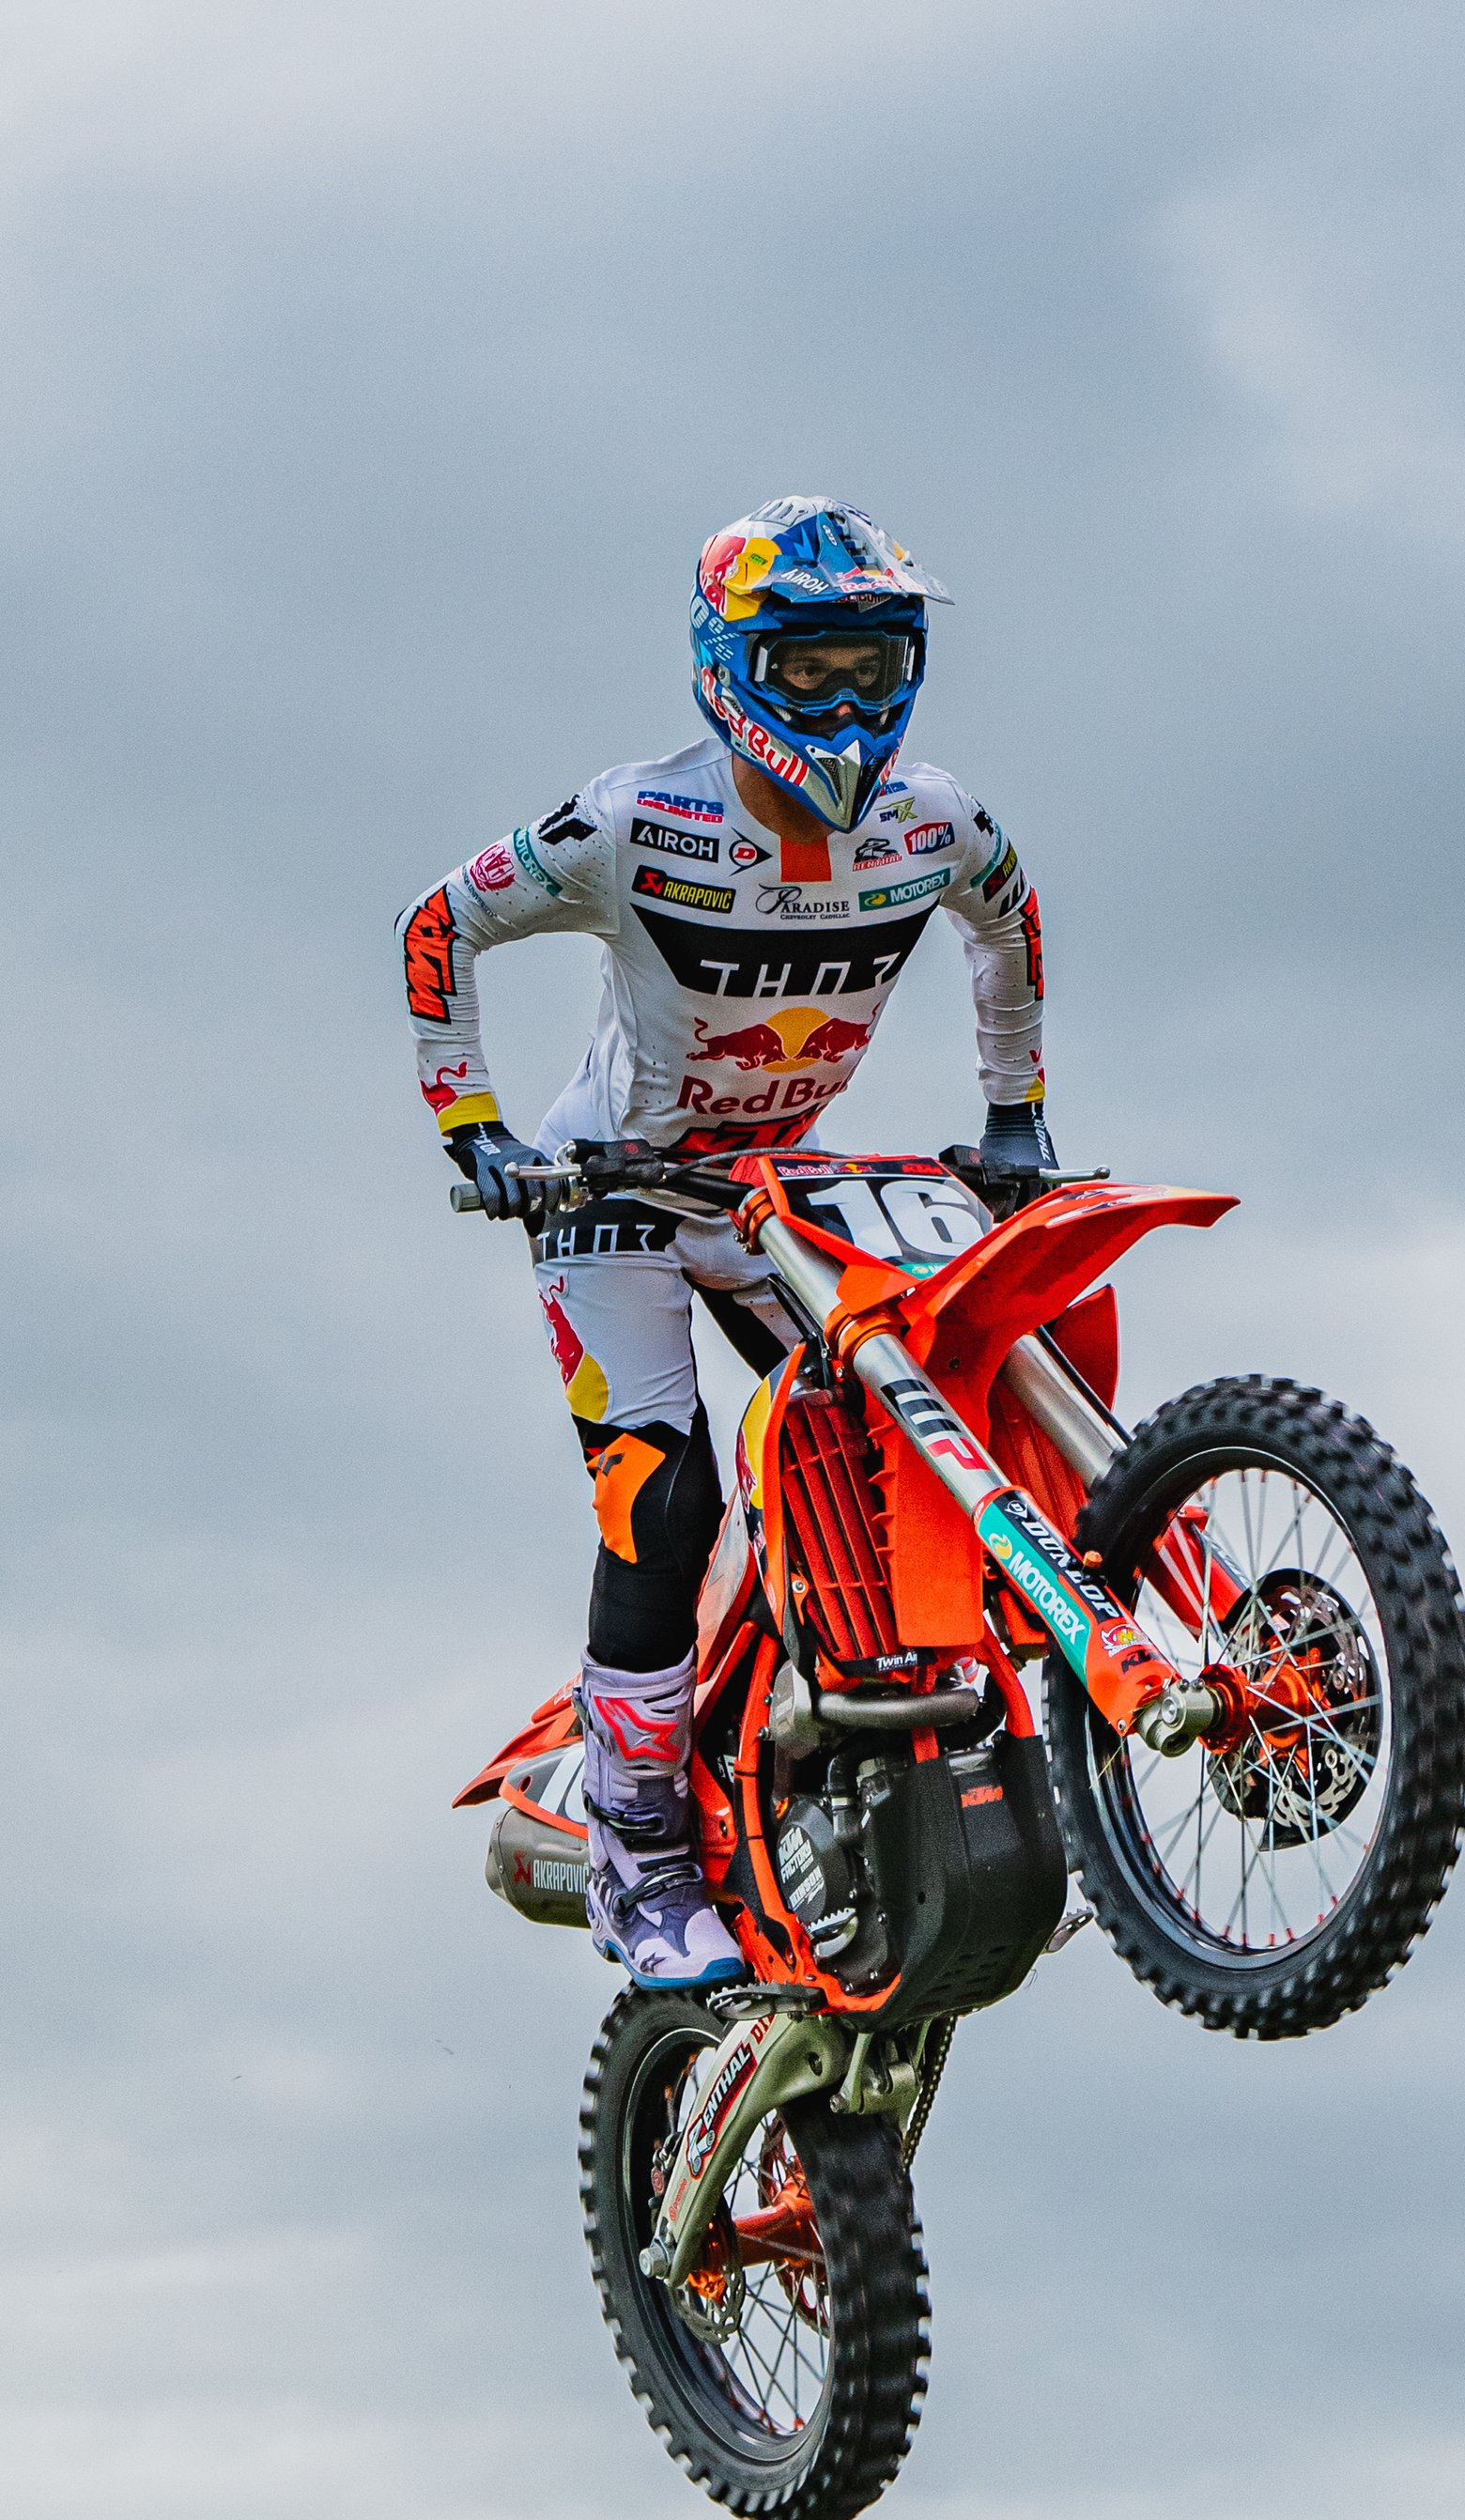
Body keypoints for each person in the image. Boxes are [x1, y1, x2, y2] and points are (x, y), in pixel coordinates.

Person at [400, 496, 1053, 1987]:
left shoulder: (936, 822)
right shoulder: (636, 821)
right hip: (610, 1191)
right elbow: (439, 925)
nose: (845, 702)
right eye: (807, 667)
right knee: (665, 1498)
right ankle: (635, 1854)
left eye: (873, 666)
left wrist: (1016, 1115)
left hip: (773, 1187)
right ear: (731, 664)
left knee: (908, 1426)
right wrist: (474, 1128)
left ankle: (841, 1750)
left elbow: (1008, 922)